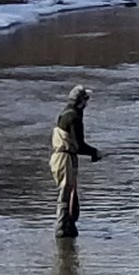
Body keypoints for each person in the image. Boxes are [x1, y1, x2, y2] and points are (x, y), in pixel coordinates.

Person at [50, 85, 101, 238]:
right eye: (86, 100)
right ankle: (62, 228)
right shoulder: (74, 117)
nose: (87, 104)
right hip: (64, 158)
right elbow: (79, 146)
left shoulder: (66, 113)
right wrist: (95, 152)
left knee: (67, 191)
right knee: (66, 192)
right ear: (81, 101)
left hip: (59, 157)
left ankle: (68, 226)